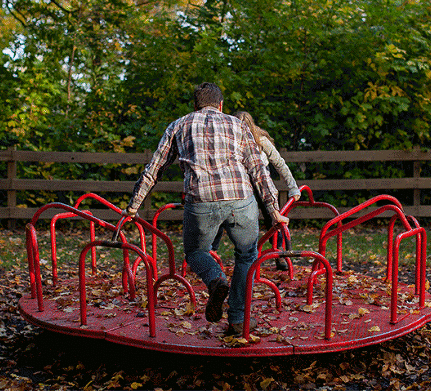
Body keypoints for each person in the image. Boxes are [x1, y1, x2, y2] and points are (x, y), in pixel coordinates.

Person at [124, 82, 289, 336]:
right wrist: (274, 208)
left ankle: (215, 279)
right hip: (241, 200)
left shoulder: (179, 125)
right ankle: (237, 319)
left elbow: (154, 168)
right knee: (247, 255)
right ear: (221, 105)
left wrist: (133, 207)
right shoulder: (238, 125)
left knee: (195, 252)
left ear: (195, 105)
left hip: (200, 201)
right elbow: (258, 168)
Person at [234, 111, 301, 270]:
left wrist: (293, 187)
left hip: (262, 183)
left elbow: (280, 164)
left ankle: (279, 252)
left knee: (274, 216)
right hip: (243, 185)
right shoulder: (232, 142)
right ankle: (221, 252)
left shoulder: (261, 141)